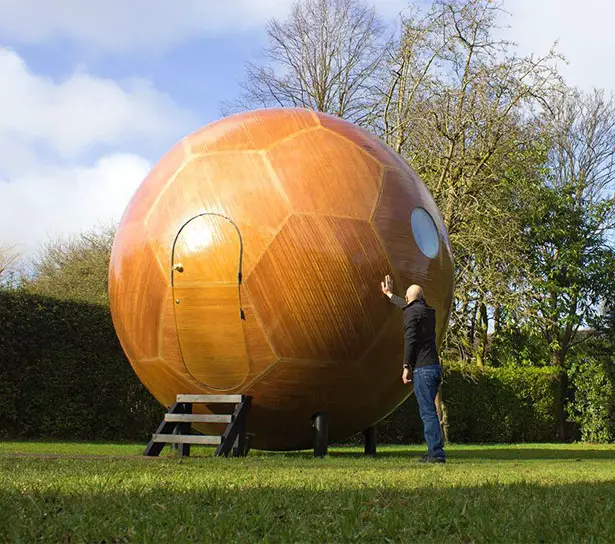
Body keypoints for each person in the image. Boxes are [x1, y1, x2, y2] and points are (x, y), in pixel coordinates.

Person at [380, 275, 445, 463]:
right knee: (430, 411)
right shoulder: (428, 312)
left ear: (409, 299)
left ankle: (436, 454)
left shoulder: (411, 313)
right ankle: (435, 451)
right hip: (433, 367)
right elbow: (410, 306)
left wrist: (406, 366)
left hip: (422, 369)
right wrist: (390, 295)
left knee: (427, 413)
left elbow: (410, 340)